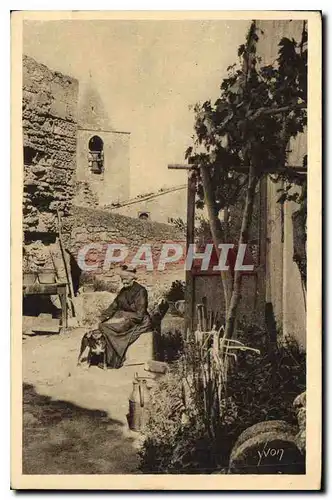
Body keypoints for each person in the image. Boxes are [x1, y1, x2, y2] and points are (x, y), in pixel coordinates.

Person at [98, 265, 151, 368]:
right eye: (123, 280)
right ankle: (108, 359)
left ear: (132, 278)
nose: (124, 282)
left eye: (126, 280)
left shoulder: (141, 291)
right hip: (126, 319)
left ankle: (114, 362)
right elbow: (114, 306)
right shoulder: (123, 291)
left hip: (139, 322)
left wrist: (123, 318)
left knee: (107, 327)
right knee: (102, 325)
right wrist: (102, 317)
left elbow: (140, 315)